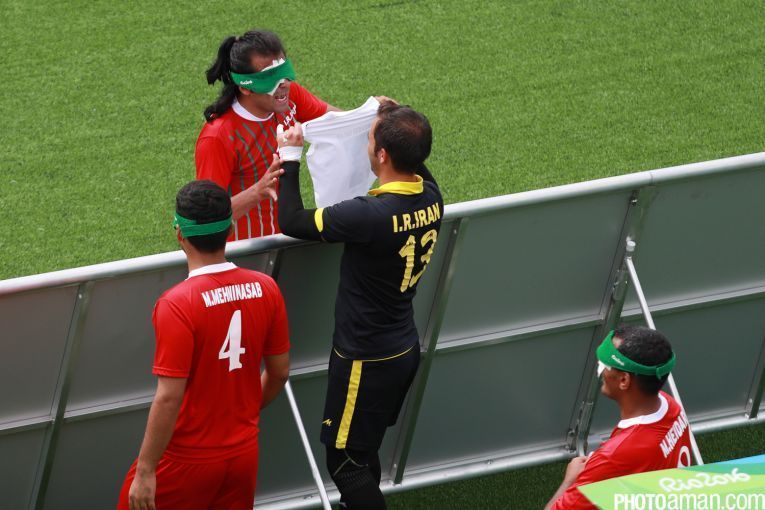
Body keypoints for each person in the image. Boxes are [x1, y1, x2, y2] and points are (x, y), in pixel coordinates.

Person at [273, 101, 443, 509]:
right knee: (363, 450)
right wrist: (394, 118)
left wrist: (290, 155)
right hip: (401, 348)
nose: (366, 145)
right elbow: (413, 157)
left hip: (365, 358)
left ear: (382, 155)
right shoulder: (432, 197)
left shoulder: (367, 215)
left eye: (369, 139)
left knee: (344, 461)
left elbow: (292, 221)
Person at [117, 180, 290, 510]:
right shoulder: (266, 288)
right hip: (242, 454)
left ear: (179, 234)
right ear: (230, 230)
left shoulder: (176, 304)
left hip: (183, 460)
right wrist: (239, 416)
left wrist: (146, 470)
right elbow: (279, 373)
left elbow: (169, 397)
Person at [196, 29, 339, 240]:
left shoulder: (290, 96)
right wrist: (258, 191)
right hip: (244, 251)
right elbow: (205, 220)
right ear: (245, 88)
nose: (283, 84)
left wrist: (375, 113)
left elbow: (338, 122)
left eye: (284, 72)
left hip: (288, 239)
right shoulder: (218, 138)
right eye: (270, 78)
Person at [545, 325, 692, 510]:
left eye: (605, 366)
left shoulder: (615, 456)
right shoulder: (670, 405)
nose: (600, 372)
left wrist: (570, 479)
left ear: (624, 380)